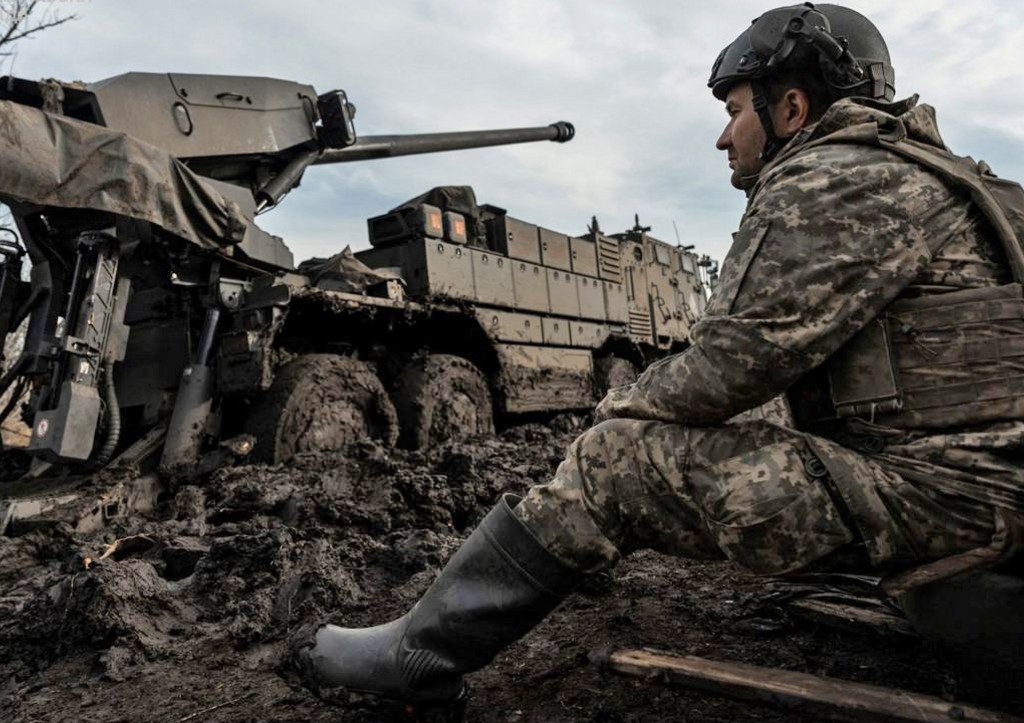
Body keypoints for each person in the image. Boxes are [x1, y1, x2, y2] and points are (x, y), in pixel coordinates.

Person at [293, 2, 1024, 706]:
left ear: (793, 109)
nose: (724, 136)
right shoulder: (959, 180)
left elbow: (723, 369)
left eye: (735, 110)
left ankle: (419, 657)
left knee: (615, 458)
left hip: (956, 503)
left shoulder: (832, 178)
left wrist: (610, 413)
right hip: (987, 491)